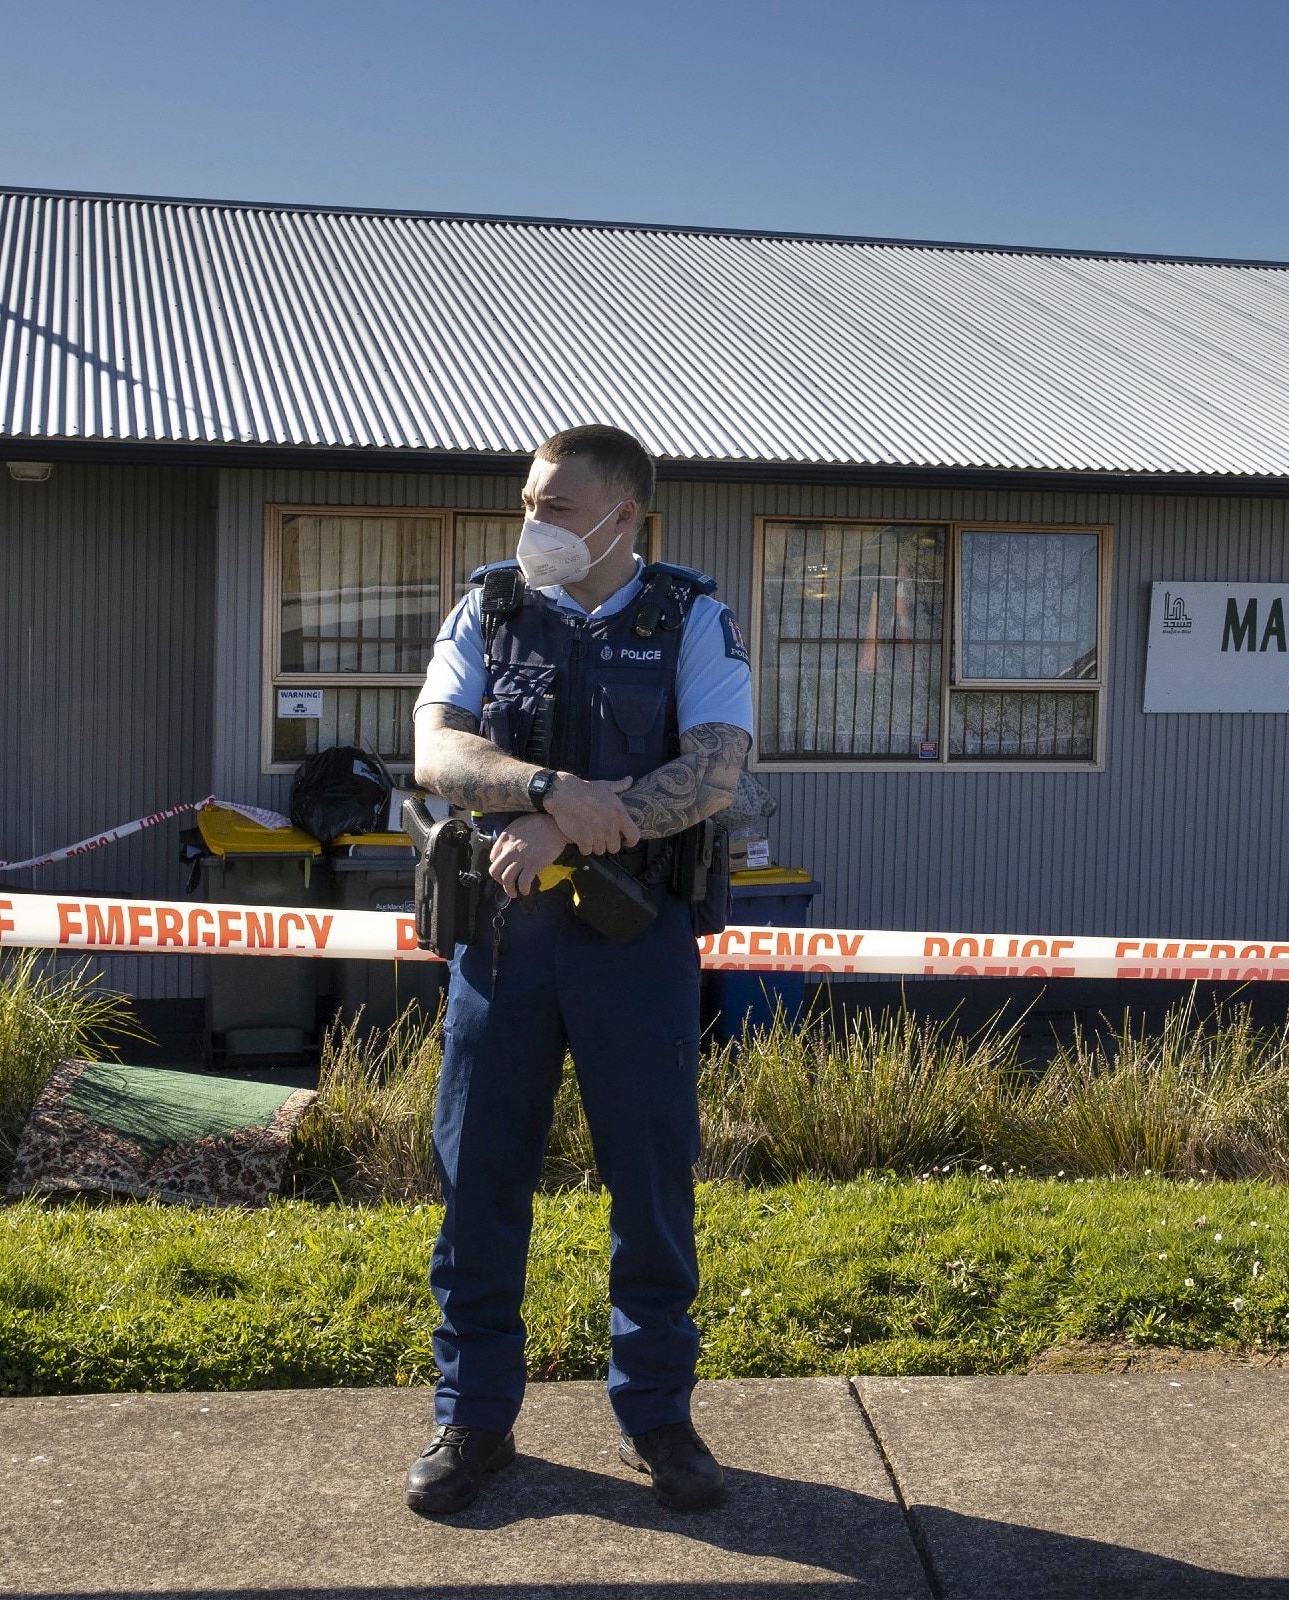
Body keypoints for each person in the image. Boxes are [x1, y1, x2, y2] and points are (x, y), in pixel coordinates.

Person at [404, 423, 754, 1516]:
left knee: (650, 1187)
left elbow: (716, 769)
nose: (534, 526)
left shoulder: (692, 615)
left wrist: (569, 826)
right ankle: (474, 1420)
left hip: (633, 939)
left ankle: (658, 1415)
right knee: (480, 1183)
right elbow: (438, 752)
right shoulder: (491, 607)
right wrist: (554, 790)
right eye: (529, 502)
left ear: (624, 516)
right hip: (501, 941)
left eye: (556, 507)